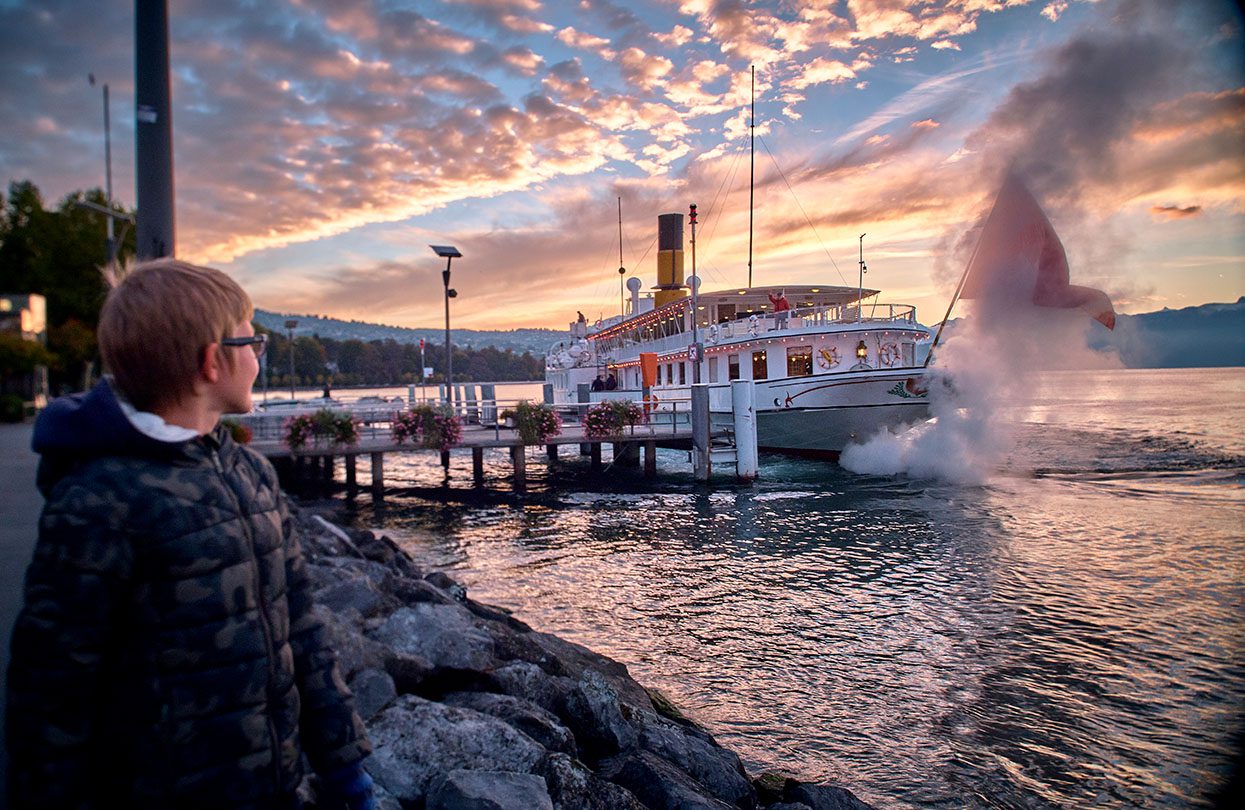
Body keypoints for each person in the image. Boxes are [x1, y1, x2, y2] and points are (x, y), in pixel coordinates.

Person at [6, 259, 374, 809]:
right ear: (211, 362)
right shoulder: (100, 503)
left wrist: (344, 766)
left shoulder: (250, 475)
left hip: (273, 785)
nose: (258, 356)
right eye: (253, 342)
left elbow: (302, 632)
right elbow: (51, 691)